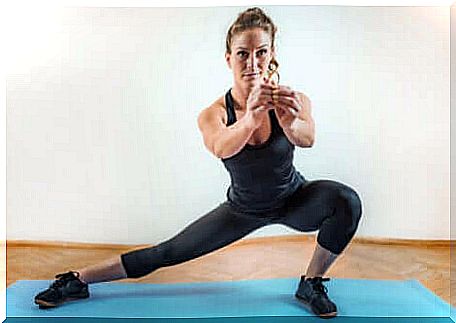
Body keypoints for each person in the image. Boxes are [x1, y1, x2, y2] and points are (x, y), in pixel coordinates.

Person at [34, 7, 362, 319]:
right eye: (243, 54)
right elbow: (221, 146)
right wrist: (250, 118)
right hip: (243, 209)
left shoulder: (292, 100)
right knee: (166, 253)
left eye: (261, 52)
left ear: (271, 53)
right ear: (229, 58)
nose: (253, 62)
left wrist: (288, 122)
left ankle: (310, 283)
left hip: (294, 200)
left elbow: (307, 138)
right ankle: (77, 280)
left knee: (345, 201)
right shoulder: (215, 113)